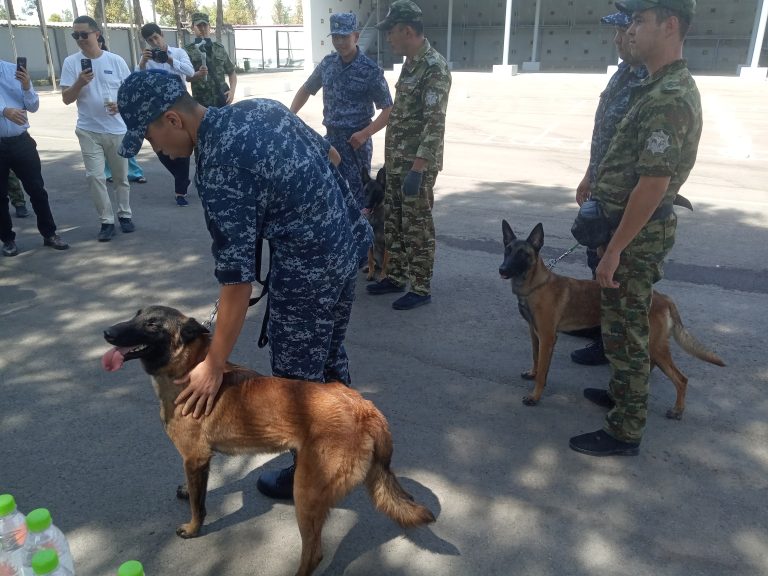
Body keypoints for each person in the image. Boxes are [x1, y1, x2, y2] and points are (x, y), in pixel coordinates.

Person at [116, 70, 371, 498]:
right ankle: (348, 437)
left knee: (297, 378)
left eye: (151, 137)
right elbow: (333, 157)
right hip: (348, 244)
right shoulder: (261, 108)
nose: (157, 149)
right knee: (329, 353)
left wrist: (214, 364)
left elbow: (236, 281)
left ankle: (312, 471)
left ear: (173, 120)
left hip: (308, 270)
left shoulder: (217, 167)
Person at [569, 0, 702, 457]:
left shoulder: (669, 96)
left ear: (669, 26)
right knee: (619, 325)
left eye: (641, 20)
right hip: (624, 230)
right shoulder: (654, 86)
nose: (631, 30)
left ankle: (625, 430)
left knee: (627, 332)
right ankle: (623, 396)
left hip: (635, 237)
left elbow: (653, 184)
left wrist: (614, 251)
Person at [569, 11, 648, 367]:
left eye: (624, 30)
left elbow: (644, 157)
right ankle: (598, 322)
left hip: (623, 198)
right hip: (603, 187)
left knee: (616, 276)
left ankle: (610, 340)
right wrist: (590, 174)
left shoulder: (647, 81)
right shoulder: (622, 75)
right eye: (617, 31)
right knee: (596, 262)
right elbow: (605, 136)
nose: (619, 38)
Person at [367, 0, 451, 311]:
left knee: (417, 225)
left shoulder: (434, 67)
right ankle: (397, 274)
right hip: (398, 162)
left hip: (417, 165)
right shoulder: (411, 64)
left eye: (391, 32)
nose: (388, 38)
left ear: (407, 30)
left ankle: (420, 285)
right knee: (395, 222)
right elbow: (403, 116)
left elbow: (434, 122)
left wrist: (418, 168)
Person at [290, 12, 393, 210]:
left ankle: (360, 239)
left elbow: (388, 109)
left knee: (359, 197)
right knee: (327, 190)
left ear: (355, 36)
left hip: (356, 143)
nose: (340, 42)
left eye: (344, 37)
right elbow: (306, 89)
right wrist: (289, 115)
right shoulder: (327, 65)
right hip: (331, 140)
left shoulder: (370, 70)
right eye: (335, 37)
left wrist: (365, 134)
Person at [61, 16, 134, 242]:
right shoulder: (71, 63)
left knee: (121, 177)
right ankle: (106, 220)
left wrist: (120, 105)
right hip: (88, 130)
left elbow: (131, 95)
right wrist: (79, 83)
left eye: (84, 34)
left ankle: (124, 214)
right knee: (95, 176)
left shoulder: (116, 61)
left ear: (97, 34)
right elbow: (66, 98)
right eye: (76, 36)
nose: (80, 39)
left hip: (117, 130)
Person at [0, 58, 69, 256]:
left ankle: (50, 234)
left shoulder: (13, 70)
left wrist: (27, 85)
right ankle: (7, 239)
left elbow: (33, 106)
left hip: (21, 142)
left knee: (37, 190)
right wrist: (4, 111)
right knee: (0, 196)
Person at [138, 22, 195, 206]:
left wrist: (170, 60)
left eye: (156, 37)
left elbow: (190, 72)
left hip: (180, 105)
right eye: (150, 40)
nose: (155, 42)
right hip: (157, 109)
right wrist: (143, 63)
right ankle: (181, 178)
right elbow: (137, 81)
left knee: (183, 145)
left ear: (162, 34)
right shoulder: (148, 58)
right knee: (160, 147)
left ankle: (180, 191)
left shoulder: (179, 53)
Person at [184, 13, 237, 108]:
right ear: (192, 27)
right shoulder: (188, 51)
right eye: (199, 25)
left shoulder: (219, 48)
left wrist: (232, 91)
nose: (202, 28)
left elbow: (231, 72)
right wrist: (198, 74)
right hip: (201, 103)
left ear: (209, 26)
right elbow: (186, 77)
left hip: (222, 99)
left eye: (205, 25)